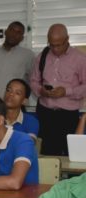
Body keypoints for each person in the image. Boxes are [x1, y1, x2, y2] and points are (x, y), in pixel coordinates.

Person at [30, 23, 86, 156]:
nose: (54, 49)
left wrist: (66, 91)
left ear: (67, 39)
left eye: (58, 45)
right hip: (45, 113)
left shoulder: (80, 59)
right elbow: (33, 81)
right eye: (51, 44)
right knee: (45, 153)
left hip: (68, 116)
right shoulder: (42, 56)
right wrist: (41, 91)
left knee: (70, 153)